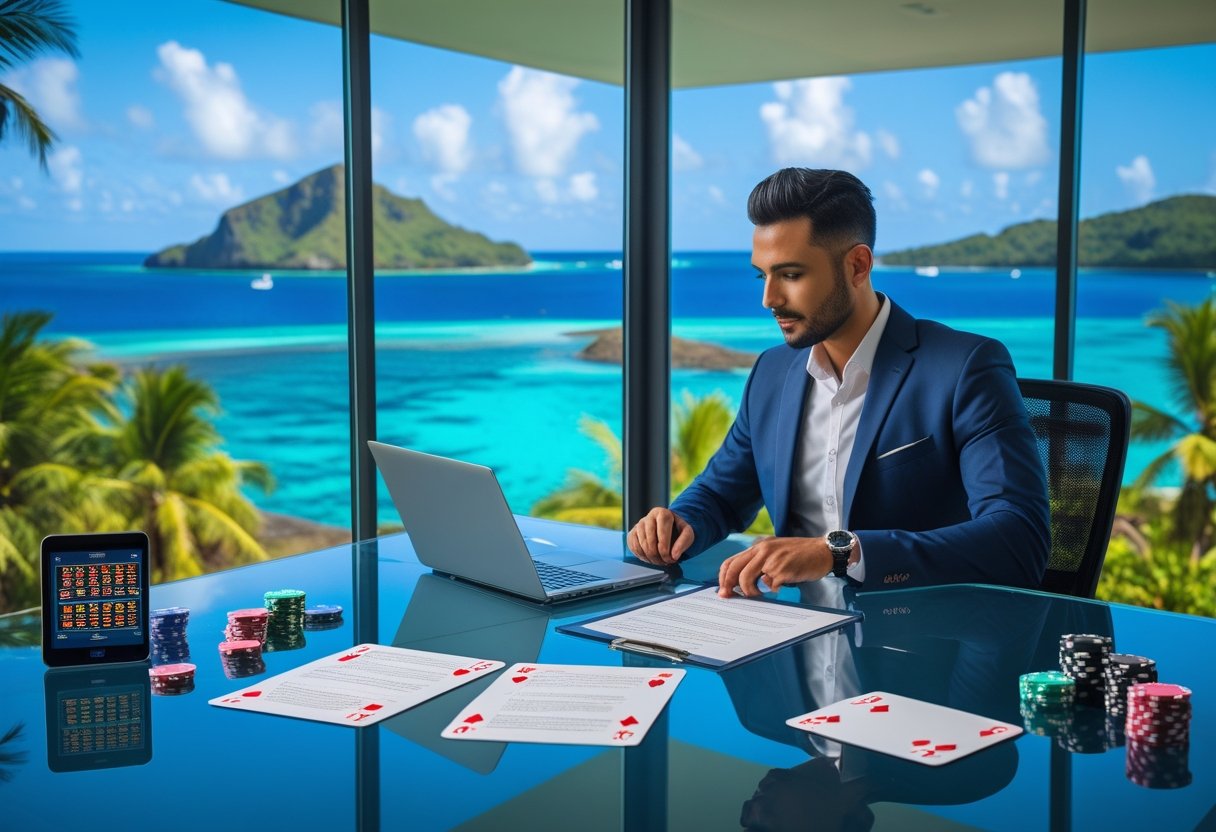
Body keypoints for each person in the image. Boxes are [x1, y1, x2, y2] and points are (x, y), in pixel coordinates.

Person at [627, 168, 1050, 596]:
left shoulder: (964, 368)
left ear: (858, 265)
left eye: (791, 275)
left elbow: (1019, 541)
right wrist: (678, 524)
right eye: (763, 275)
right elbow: (720, 496)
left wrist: (840, 551)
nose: (769, 299)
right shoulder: (771, 373)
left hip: (917, 642)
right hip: (785, 639)